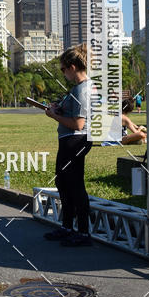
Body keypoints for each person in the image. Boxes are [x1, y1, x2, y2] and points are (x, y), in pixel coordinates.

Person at [44, 44, 93, 247]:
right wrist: (59, 109)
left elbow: (78, 124)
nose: (63, 73)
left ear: (72, 67)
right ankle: (67, 226)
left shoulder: (83, 89)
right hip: (70, 140)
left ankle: (83, 232)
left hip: (76, 140)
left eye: (63, 69)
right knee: (63, 183)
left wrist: (54, 116)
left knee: (75, 185)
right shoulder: (78, 88)